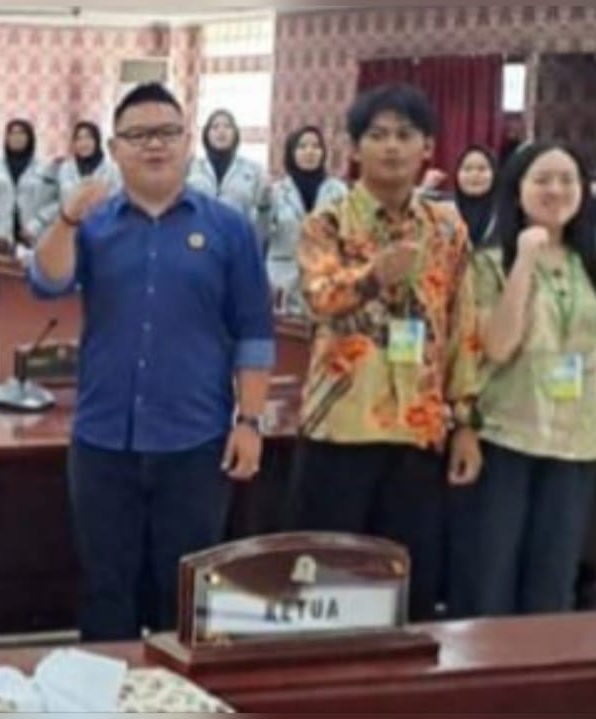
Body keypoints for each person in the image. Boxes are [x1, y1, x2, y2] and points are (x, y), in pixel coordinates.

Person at [30, 83, 274, 640]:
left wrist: (250, 422)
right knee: (105, 588)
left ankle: (178, 688)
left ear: (188, 142)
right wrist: (66, 220)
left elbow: (254, 333)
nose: (154, 145)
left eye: (166, 133)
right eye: (138, 135)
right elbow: (47, 281)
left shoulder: (228, 228)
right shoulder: (93, 225)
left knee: (184, 597)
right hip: (103, 440)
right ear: (114, 149)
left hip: (195, 440)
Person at [293, 84, 482, 622]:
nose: (392, 147)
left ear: (428, 146)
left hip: (417, 431)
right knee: (328, 591)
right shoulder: (327, 223)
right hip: (340, 429)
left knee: (407, 591)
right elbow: (318, 298)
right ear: (355, 148)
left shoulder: (447, 228)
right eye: (377, 135)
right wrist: (373, 276)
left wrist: (466, 422)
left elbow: (462, 327)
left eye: (405, 135)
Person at [447, 142, 596, 619]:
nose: (556, 190)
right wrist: (526, 260)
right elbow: (496, 346)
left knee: (553, 581)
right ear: (516, 191)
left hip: (578, 443)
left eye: (567, 180)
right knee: (490, 578)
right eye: (542, 179)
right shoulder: (489, 263)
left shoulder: (593, 263)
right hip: (506, 435)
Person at [266, 126, 349, 315]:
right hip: (284, 281)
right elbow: (262, 233)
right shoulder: (275, 192)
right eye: (302, 146)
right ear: (291, 152)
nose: (310, 151)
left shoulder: (338, 191)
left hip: (326, 280)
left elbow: (348, 237)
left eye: (315, 146)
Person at [187, 108, 271, 242]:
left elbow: (264, 213)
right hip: (198, 240)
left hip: (238, 241)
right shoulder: (191, 168)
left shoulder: (254, 170)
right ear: (206, 134)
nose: (221, 131)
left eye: (227, 126)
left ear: (236, 133)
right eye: (215, 127)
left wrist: (256, 241)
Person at [0, 118, 58, 245]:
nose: (16, 137)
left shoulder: (44, 166)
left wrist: (38, 223)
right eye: (12, 133)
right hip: (0, 232)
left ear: (30, 138)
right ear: (6, 138)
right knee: (0, 257)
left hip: (31, 232)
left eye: (21, 133)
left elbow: (57, 201)